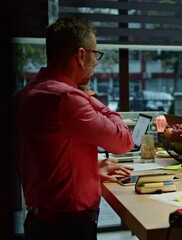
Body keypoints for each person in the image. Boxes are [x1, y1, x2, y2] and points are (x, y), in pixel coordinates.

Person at [13, 16, 135, 240]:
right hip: (67, 229)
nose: (96, 62)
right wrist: (88, 97)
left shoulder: (26, 94)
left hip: (39, 222)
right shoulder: (67, 98)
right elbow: (124, 141)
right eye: (94, 54)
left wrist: (90, 168)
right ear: (81, 55)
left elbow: (47, 158)